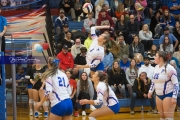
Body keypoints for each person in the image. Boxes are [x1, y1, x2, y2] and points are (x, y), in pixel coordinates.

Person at [148, 51, 179, 120]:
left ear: (160, 58)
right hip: (158, 95)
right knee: (162, 117)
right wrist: (150, 91)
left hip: (168, 94)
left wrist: (174, 96)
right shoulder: (156, 67)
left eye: (156, 56)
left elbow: (176, 84)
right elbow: (153, 81)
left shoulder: (170, 68)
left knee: (168, 117)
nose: (154, 58)